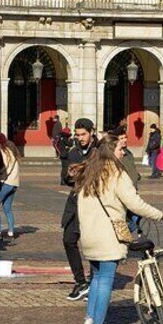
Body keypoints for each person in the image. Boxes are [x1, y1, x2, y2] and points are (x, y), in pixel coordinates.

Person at [76, 134, 163, 324]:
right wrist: (157, 213)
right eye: (120, 149)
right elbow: (133, 202)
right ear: (111, 152)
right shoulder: (116, 174)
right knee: (106, 280)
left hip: (89, 235)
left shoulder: (90, 174)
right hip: (108, 236)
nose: (123, 152)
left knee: (96, 279)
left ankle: (89, 320)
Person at [61, 118, 98, 301]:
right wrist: (70, 175)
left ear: (92, 132)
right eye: (77, 134)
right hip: (75, 202)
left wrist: (82, 174)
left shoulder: (99, 153)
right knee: (68, 240)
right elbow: (64, 178)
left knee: (92, 244)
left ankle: (94, 282)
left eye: (83, 134)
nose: (80, 138)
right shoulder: (73, 153)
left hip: (93, 203)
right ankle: (80, 280)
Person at [0, 134, 21, 239]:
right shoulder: (13, 152)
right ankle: (11, 232)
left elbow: (4, 168)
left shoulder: (4, 153)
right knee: (7, 208)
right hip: (14, 184)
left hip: (6, 183)